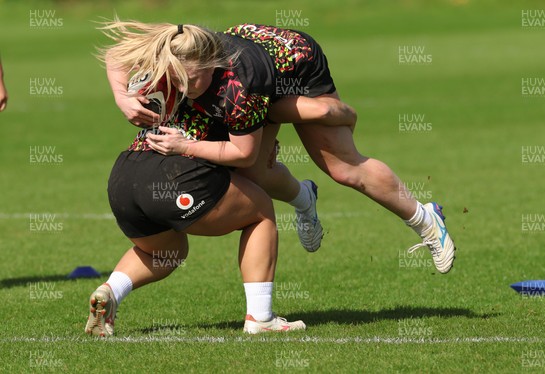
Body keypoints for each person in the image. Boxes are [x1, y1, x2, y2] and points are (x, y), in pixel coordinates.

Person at [102, 21, 456, 273]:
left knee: (342, 168)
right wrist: (122, 99)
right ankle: (306, 200)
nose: (184, 86)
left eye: (192, 81)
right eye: (179, 78)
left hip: (296, 69)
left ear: (211, 66)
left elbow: (243, 152)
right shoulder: (178, 49)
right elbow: (115, 55)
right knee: (255, 172)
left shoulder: (242, 86)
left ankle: (425, 219)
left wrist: (185, 146)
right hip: (258, 63)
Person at [86, 44, 306, 335]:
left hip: (125, 175)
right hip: (173, 176)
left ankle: (110, 292)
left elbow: (116, 52)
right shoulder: (239, 86)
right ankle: (261, 318)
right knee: (261, 211)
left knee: (171, 251)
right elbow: (244, 154)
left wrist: (122, 97)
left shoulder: (170, 71)